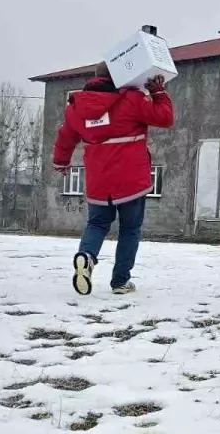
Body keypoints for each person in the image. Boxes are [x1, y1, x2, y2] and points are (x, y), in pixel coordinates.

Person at [52, 62, 174, 295]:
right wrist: (159, 92)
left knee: (97, 224)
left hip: (99, 181)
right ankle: (120, 282)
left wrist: (61, 162)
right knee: (129, 229)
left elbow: (65, 136)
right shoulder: (131, 99)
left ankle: (86, 257)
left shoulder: (76, 107)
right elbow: (165, 118)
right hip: (131, 181)